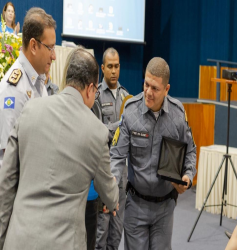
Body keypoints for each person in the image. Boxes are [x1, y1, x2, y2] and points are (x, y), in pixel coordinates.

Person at [0, 46, 119, 250]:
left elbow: (6, 182)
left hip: (19, 240)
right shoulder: (97, 132)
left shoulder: (30, 110)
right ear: (91, 88)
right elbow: (111, 196)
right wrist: (113, 191)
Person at [110, 57, 197, 250]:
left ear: (166, 89)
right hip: (136, 205)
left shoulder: (177, 114)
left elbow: (190, 150)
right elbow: (116, 156)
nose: (148, 92)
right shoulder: (131, 111)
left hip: (165, 209)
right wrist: (112, 185)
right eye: (146, 84)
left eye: (155, 88)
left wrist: (187, 176)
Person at [0, 7, 56, 168]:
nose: (54, 56)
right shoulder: (14, 90)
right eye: (50, 48)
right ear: (33, 46)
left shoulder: (38, 81)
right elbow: (8, 164)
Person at [95, 47, 129, 250]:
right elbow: (97, 132)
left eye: (117, 66)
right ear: (102, 68)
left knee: (116, 234)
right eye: (110, 67)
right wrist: (120, 126)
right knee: (101, 233)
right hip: (104, 173)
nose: (114, 71)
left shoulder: (127, 97)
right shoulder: (96, 96)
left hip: (122, 177)